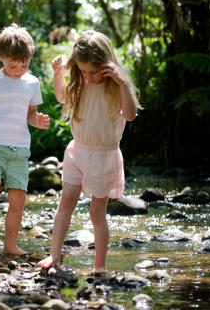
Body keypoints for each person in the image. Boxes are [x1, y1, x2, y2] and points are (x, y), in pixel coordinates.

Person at [37, 30, 141, 274]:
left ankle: (99, 265)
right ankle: (54, 255)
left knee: (97, 213)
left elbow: (130, 114)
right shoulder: (81, 82)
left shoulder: (116, 87)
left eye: (93, 71)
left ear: (106, 65)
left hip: (104, 155)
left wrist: (124, 83)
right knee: (66, 202)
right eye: (83, 71)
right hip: (77, 151)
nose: (89, 76)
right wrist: (57, 74)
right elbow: (62, 96)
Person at [0, 23, 50, 256]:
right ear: (1, 56)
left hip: (20, 148)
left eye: (24, 65)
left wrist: (39, 121)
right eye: (13, 65)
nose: (18, 70)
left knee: (18, 198)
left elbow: (30, 114)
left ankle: (10, 244)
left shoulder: (31, 82)